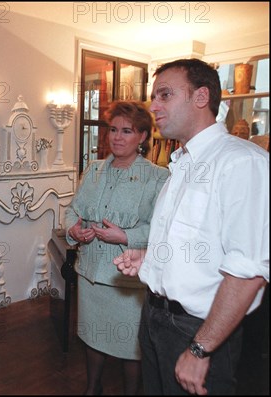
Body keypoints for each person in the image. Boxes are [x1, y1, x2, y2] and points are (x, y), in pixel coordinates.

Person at [113, 58, 269, 395]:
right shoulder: (181, 163)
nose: (153, 106)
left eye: (164, 95)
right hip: (154, 318)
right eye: (154, 97)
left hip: (198, 330)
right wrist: (151, 259)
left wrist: (201, 348)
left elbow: (248, 272)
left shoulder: (241, 162)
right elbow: (198, 243)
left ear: (201, 97)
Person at [65, 101, 169, 394]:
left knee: (129, 347)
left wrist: (125, 236)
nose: (117, 137)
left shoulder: (158, 178)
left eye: (127, 131)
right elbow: (73, 210)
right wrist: (75, 229)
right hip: (90, 273)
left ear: (143, 137)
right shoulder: (94, 170)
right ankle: (92, 388)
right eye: (113, 130)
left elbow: (161, 230)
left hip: (127, 277)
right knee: (93, 336)